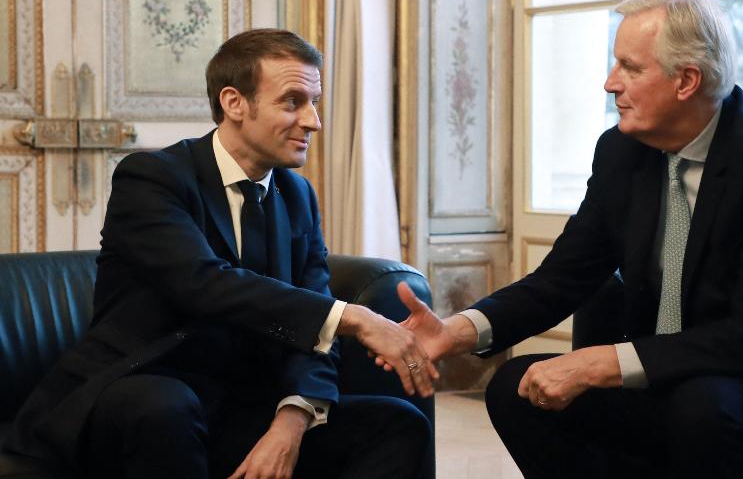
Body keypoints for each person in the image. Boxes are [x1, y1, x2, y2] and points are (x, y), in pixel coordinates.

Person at [393, 0, 743, 479]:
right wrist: (457, 330)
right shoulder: (621, 152)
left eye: (630, 68)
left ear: (686, 81)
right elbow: (562, 278)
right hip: (660, 377)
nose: (611, 83)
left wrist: (600, 363)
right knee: (516, 387)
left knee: (701, 406)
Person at [3, 28, 436, 479]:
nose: (313, 121)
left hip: (238, 402)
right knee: (166, 407)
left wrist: (292, 420)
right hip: (140, 388)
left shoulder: (297, 196)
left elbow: (312, 332)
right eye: (293, 101)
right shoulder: (153, 178)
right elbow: (204, 284)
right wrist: (356, 318)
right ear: (234, 103)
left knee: (398, 424)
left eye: (315, 102)